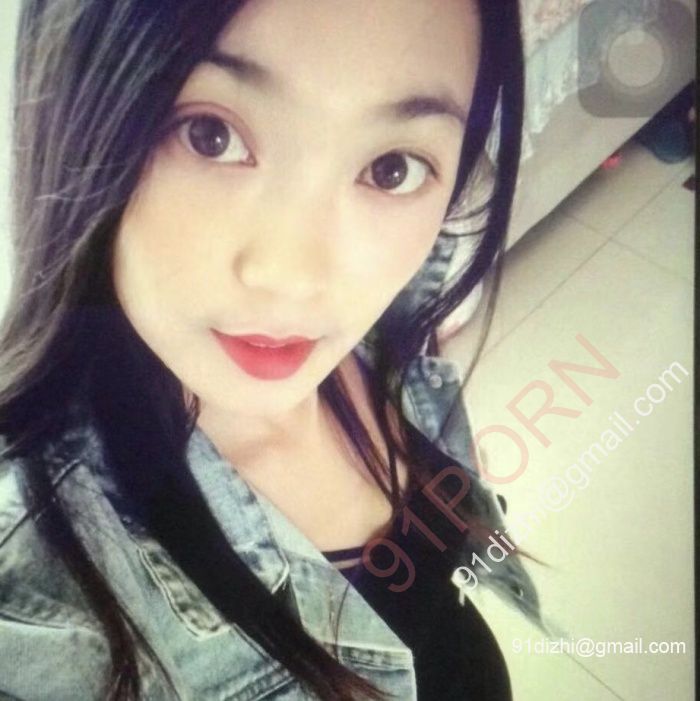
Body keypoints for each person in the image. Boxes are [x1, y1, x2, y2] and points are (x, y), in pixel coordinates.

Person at [0, 0, 541, 699]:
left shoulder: (391, 322)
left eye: (392, 168)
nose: (295, 280)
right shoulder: (38, 600)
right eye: (209, 135)